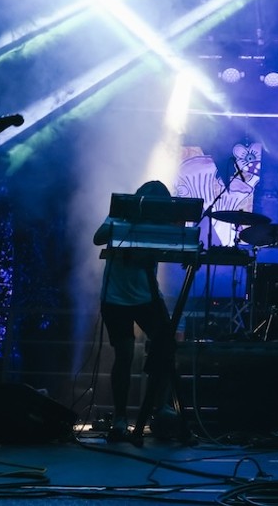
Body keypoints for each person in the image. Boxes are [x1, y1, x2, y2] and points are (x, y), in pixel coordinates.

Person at [93, 180, 177, 442]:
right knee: (125, 353)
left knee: (165, 344)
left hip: (147, 296)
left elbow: (172, 247)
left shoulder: (162, 222)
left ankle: (159, 407)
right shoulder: (119, 214)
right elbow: (98, 238)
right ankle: (120, 418)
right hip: (115, 297)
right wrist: (123, 222)